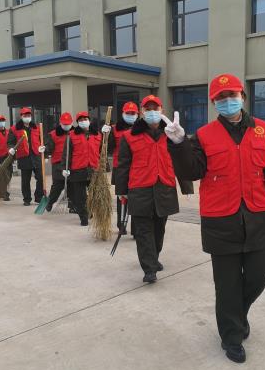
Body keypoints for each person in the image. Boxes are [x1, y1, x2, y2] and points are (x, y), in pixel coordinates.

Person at [163, 74, 265, 364]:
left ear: (242, 97)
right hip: (220, 221)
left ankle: (237, 315)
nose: (227, 101)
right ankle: (231, 336)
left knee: (261, 274)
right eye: (220, 97)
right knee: (227, 285)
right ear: (214, 103)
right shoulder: (204, 136)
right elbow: (191, 172)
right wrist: (179, 143)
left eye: (232, 95)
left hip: (257, 217)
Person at [115, 95, 192, 283]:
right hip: (139, 189)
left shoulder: (171, 133)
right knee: (143, 231)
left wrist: (186, 186)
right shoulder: (129, 136)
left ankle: (154, 257)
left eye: (155, 109)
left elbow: (181, 160)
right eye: (147, 109)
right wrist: (121, 191)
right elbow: (123, 165)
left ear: (161, 110)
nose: (151, 112)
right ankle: (149, 268)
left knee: (159, 230)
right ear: (142, 112)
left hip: (164, 187)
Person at [102, 101, 138, 235]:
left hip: (138, 167)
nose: (131, 115)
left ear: (137, 114)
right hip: (120, 168)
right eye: (128, 113)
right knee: (122, 197)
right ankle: (121, 224)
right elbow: (108, 148)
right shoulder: (114, 128)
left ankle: (136, 228)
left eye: (133, 113)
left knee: (137, 198)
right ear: (123, 113)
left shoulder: (141, 128)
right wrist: (105, 135)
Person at [67, 111, 102, 226]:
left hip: (93, 169)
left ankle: (90, 211)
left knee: (95, 194)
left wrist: (104, 166)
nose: (83, 122)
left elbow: (102, 151)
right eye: (80, 120)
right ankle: (83, 217)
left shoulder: (97, 134)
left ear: (89, 120)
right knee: (80, 196)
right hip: (78, 169)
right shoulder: (72, 135)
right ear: (77, 122)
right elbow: (67, 153)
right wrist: (65, 168)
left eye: (85, 119)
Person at [8, 107, 44, 206]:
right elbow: (10, 142)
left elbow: (42, 140)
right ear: (21, 116)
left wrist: (43, 149)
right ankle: (27, 199)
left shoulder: (36, 127)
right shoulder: (14, 129)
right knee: (25, 180)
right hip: (24, 157)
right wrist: (11, 149)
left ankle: (39, 197)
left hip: (36, 156)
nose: (27, 117)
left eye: (29, 115)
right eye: (25, 115)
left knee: (40, 177)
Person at [44, 112, 73, 212]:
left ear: (72, 123)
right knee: (57, 185)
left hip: (72, 163)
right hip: (58, 163)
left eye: (68, 124)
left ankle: (72, 206)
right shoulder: (53, 134)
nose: (66, 126)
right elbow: (49, 147)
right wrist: (45, 150)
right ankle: (50, 202)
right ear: (60, 123)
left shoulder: (75, 133)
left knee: (73, 186)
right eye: (64, 124)